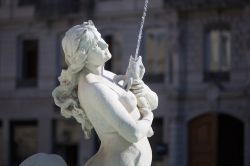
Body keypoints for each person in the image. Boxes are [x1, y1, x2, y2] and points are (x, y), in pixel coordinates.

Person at [52, 20, 158, 166]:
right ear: (83, 55)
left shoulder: (107, 75)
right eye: (96, 44)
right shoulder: (93, 87)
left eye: (100, 38)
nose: (105, 44)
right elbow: (133, 133)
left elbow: (153, 102)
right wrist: (148, 116)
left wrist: (138, 84)